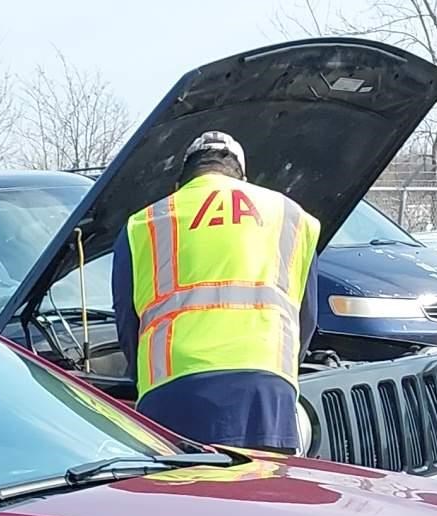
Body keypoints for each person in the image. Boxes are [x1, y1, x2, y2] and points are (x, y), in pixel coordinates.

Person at [109, 131, 321, 454]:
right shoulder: (289, 216)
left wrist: (143, 378)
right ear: (243, 179)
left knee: (187, 501)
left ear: (180, 186)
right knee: (265, 498)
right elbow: (306, 318)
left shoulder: (144, 224)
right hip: (265, 393)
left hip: (173, 394)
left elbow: (127, 322)